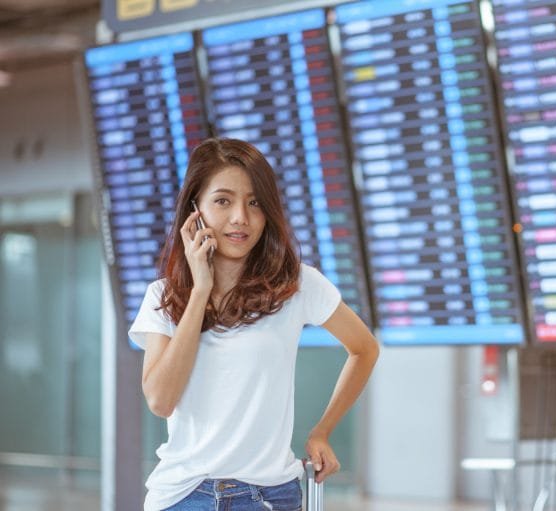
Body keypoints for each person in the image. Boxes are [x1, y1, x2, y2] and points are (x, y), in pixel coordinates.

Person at [129, 138, 380, 511]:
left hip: (270, 496)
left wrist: (322, 431)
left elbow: (364, 349)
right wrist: (200, 292)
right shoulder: (163, 296)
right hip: (184, 496)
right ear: (195, 210)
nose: (240, 219)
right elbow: (161, 400)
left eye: (254, 203)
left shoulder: (298, 284)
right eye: (223, 201)